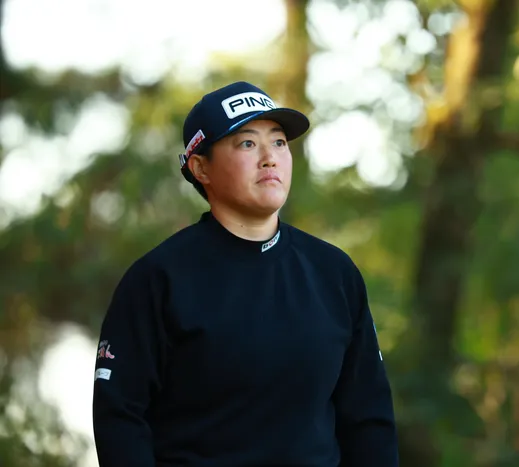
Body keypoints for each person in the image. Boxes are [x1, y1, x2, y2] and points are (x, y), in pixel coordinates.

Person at [92, 81, 399, 467]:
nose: (270, 158)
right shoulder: (158, 279)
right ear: (201, 167)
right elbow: (120, 419)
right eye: (248, 143)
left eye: (279, 142)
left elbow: (369, 417)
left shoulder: (334, 273)